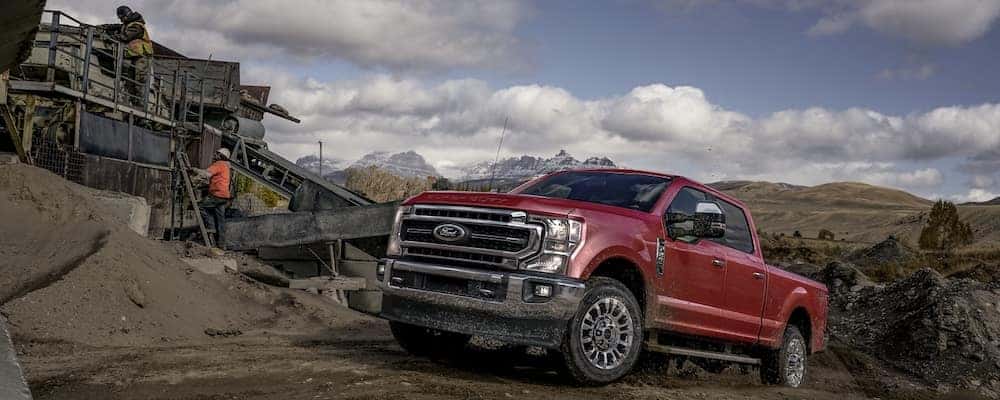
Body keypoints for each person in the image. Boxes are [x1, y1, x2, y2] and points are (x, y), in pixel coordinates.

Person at [102, 6, 154, 106]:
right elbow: (120, 28)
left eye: (121, 17)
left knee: (140, 81)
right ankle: (134, 104)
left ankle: (141, 108)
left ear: (126, 16)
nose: (120, 20)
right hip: (133, 56)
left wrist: (110, 37)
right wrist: (108, 27)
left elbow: (125, 36)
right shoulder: (128, 25)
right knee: (130, 81)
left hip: (142, 57)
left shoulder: (136, 26)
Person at [196, 148, 232, 248]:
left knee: (200, 206)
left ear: (221, 156)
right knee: (221, 220)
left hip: (217, 195)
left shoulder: (218, 164)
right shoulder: (226, 166)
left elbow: (206, 174)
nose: (214, 155)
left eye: (217, 153)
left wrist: (195, 172)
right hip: (224, 196)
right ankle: (221, 244)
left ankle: (210, 227)